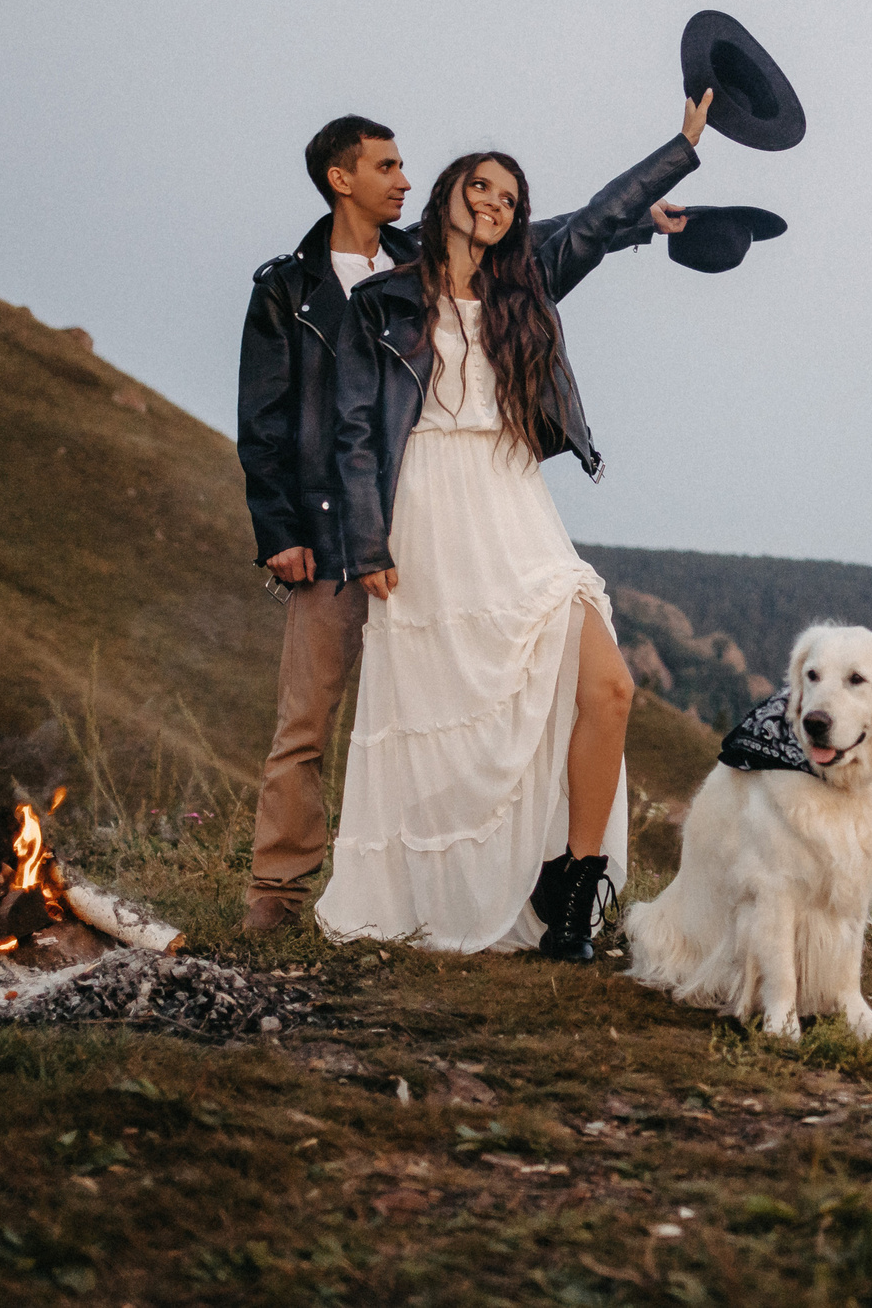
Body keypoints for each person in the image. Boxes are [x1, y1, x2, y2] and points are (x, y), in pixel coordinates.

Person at [235, 114, 688, 934]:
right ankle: (277, 894)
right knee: (312, 719)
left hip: (467, 514)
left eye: (409, 166)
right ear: (344, 178)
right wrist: (282, 531)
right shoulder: (293, 289)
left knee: (471, 705)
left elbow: (560, 235)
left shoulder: (423, 265)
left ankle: (523, 884)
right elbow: (270, 422)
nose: (403, 179)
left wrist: (650, 204)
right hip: (339, 525)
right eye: (387, 165)